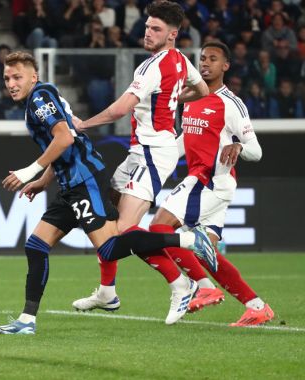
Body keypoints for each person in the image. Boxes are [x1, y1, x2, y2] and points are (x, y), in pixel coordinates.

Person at [0, 52, 216, 335]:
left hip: (84, 180)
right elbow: (66, 139)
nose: (11, 83)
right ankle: (27, 320)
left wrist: (30, 171)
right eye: (7, 78)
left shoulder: (39, 98)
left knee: (109, 247)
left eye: (17, 77)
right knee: (36, 246)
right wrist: (44, 181)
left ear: (33, 77)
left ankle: (189, 239)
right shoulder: (41, 97)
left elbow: (65, 137)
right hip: (70, 182)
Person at [72, 1, 210, 313]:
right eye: (147, 27)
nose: (147, 33)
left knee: (120, 233)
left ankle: (181, 281)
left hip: (152, 155)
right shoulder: (181, 61)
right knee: (106, 223)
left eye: (156, 29)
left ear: (172, 34)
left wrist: (84, 124)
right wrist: (173, 99)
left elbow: (119, 109)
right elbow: (201, 89)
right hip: (141, 152)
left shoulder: (151, 67)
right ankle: (107, 292)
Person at [150, 41, 273, 327]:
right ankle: (257, 307)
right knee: (206, 254)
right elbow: (185, 140)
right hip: (206, 181)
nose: (205, 63)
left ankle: (204, 287)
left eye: (213, 59)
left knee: (159, 227)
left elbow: (257, 151)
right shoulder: (192, 98)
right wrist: (157, 161)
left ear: (225, 66)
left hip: (210, 181)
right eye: (203, 58)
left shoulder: (230, 103)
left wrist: (239, 148)